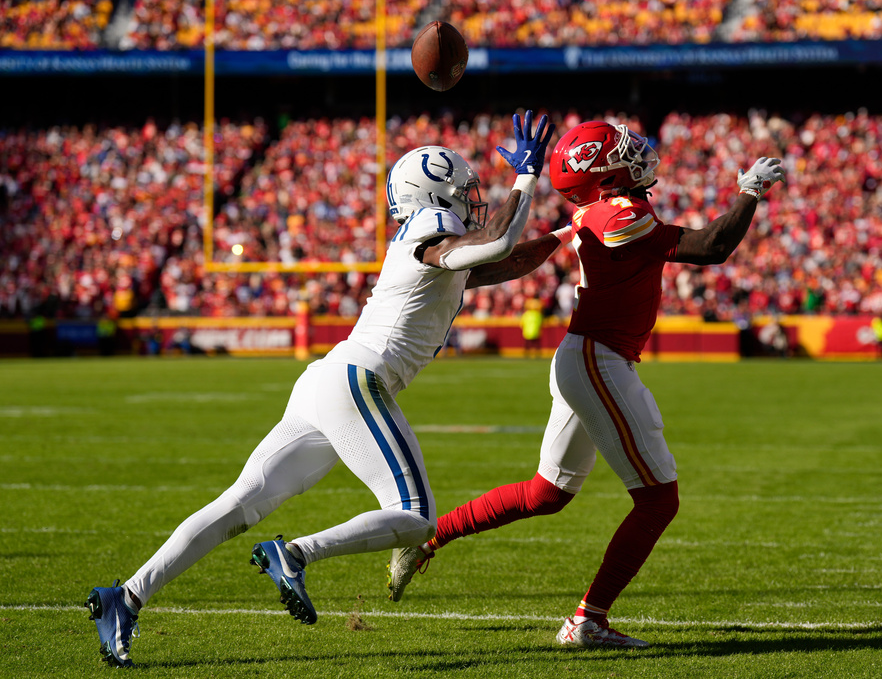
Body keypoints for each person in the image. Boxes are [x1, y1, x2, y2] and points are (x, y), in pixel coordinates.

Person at [84, 110, 562, 667]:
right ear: (436, 193)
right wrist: (526, 177)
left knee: (239, 502)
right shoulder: (429, 230)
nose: (472, 200)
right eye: (464, 191)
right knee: (416, 516)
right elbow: (499, 241)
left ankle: (128, 595)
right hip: (359, 378)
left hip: (328, 382)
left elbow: (505, 260)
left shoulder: (436, 246)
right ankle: (295, 553)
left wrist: (574, 231)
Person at [386, 120, 786, 648]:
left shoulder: (592, 215)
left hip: (586, 358)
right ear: (601, 174)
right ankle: (587, 620)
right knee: (659, 501)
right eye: (621, 151)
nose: (636, 154)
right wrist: (749, 193)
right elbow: (710, 246)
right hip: (599, 359)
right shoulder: (619, 214)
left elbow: (524, 256)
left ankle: (430, 537)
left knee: (546, 494)